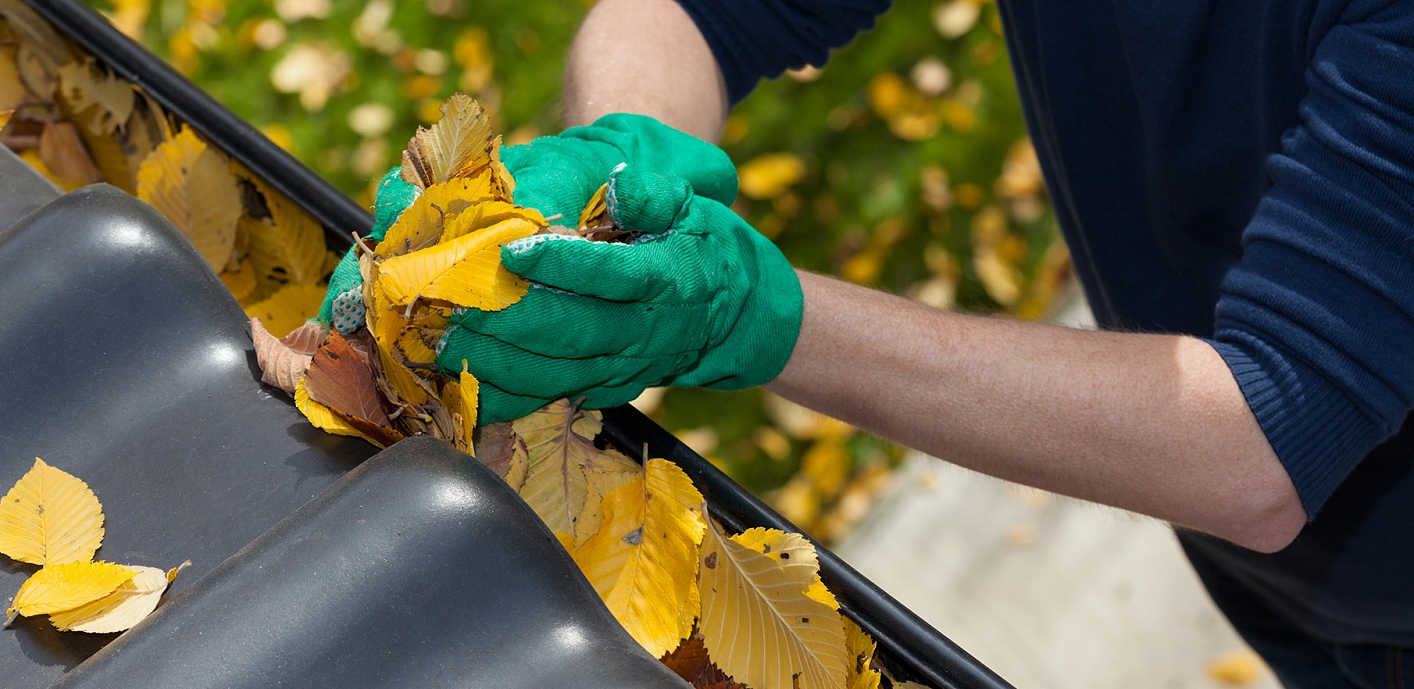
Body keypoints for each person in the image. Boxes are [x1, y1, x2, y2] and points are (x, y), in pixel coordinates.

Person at [325, 1, 1414, 686]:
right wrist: (623, 152)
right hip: (1288, 588)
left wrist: (751, 312)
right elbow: (692, 14)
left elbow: (1260, 435)